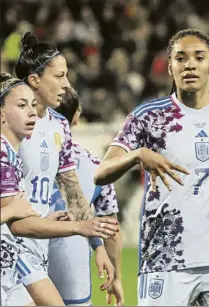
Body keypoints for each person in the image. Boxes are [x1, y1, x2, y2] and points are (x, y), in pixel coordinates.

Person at [94, 28, 209, 306]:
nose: (190, 65)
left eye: (199, 57)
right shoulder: (148, 116)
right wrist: (137, 154)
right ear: (170, 67)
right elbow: (101, 173)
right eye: (181, 58)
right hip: (165, 257)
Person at [12, 32, 115, 306]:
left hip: (39, 242)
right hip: (11, 241)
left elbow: (71, 188)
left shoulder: (59, 125)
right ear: (34, 80)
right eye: (59, 76)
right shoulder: (10, 123)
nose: (67, 85)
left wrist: (98, 246)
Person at [48, 87, 124, 306]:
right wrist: (116, 277)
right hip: (72, 269)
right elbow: (110, 229)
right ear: (76, 118)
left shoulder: (15, 156)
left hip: (21, 264)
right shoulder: (96, 166)